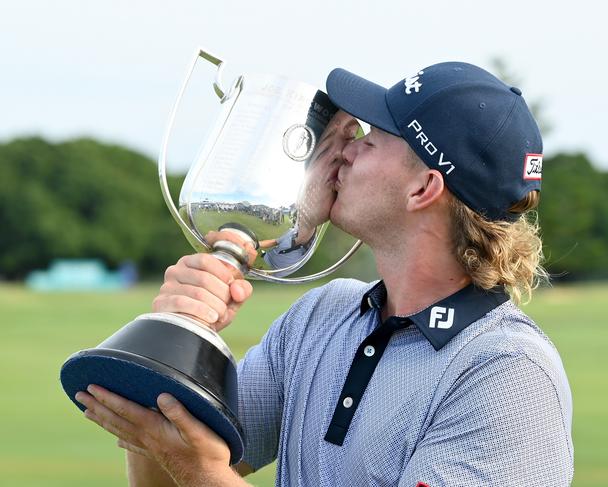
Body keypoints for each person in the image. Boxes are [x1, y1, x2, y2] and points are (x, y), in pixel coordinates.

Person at [75, 62, 574, 486]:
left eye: (374, 139)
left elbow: (198, 469)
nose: (346, 148)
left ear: (423, 189)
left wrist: (204, 473)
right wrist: (181, 342)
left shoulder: (508, 375)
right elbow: (170, 469)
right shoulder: (322, 315)